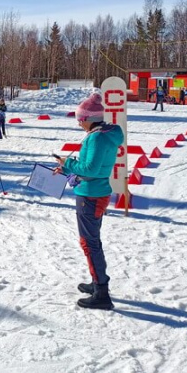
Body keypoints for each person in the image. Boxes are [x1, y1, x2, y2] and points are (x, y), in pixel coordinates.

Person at [53, 92, 123, 310]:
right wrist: (68, 166)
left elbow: (90, 169)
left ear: (89, 119)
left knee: (89, 243)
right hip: (94, 191)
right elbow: (91, 166)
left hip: (91, 195)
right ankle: (97, 281)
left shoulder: (96, 138)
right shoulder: (104, 134)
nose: (79, 123)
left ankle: (101, 291)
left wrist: (68, 164)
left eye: (80, 119)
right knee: (93, 240)